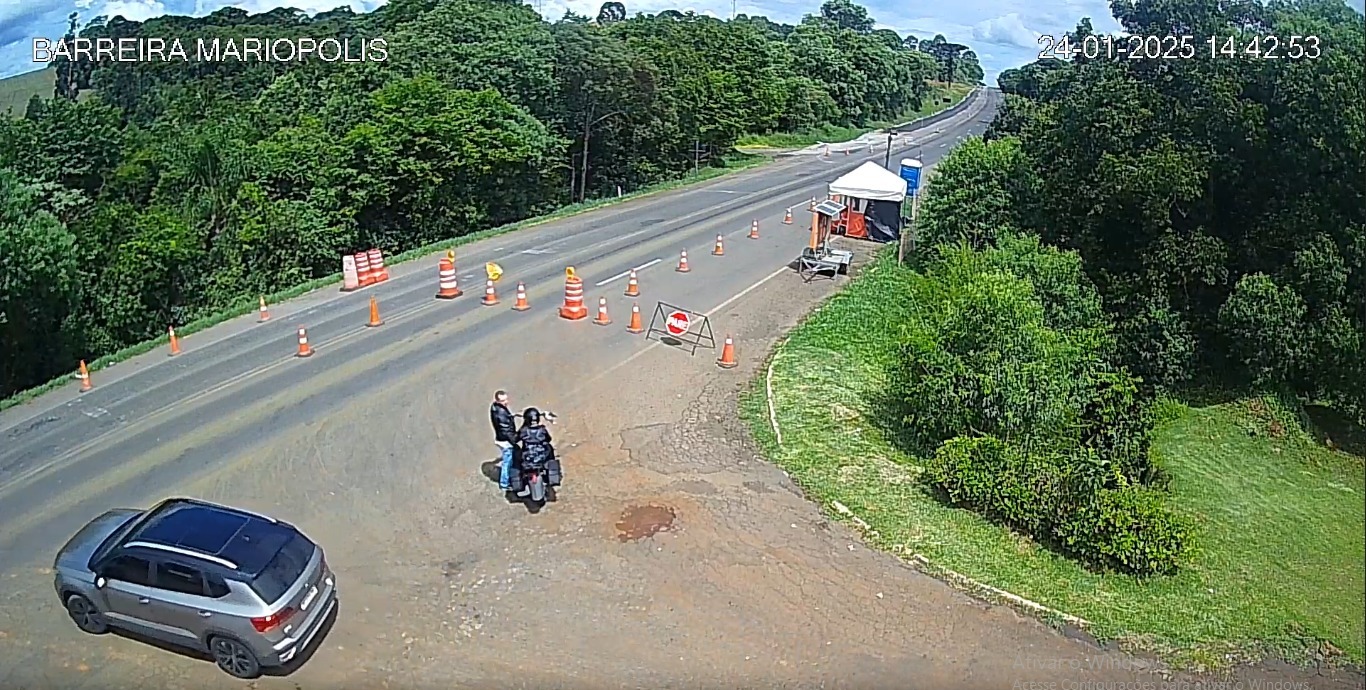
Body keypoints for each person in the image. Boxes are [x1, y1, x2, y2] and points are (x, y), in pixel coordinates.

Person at [514, 407, 561, 495]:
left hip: (528, 458)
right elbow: (549, 439)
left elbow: (515, 439)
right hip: (541, 457)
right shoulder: (542, 430)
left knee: (516, 458)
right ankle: (550, 471)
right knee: (550, 449)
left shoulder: (523, 430)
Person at [489, 390, 517, 491]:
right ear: (497, 400)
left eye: (506, 399)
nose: (506, 402)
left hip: (500, 438)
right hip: (505, 441)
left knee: (508, 460)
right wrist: (515, 440)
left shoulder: (495, 408)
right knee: (507, 462)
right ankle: (504, 483)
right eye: (503, 400)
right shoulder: (500, 414)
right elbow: (506, 431)